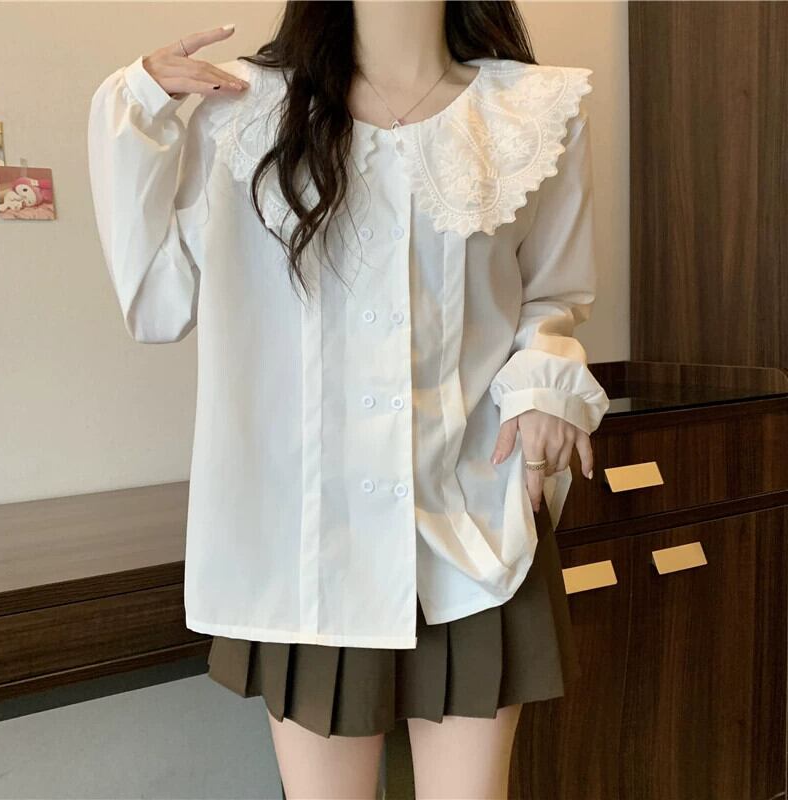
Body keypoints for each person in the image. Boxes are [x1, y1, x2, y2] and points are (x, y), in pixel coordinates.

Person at [87, 2, 610, 797]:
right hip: (308, 541)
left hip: (474, 525)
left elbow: (553, 296)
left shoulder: (532, 111)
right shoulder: (246, 113)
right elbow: (158, 305)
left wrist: (546, 387)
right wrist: (136, 108)